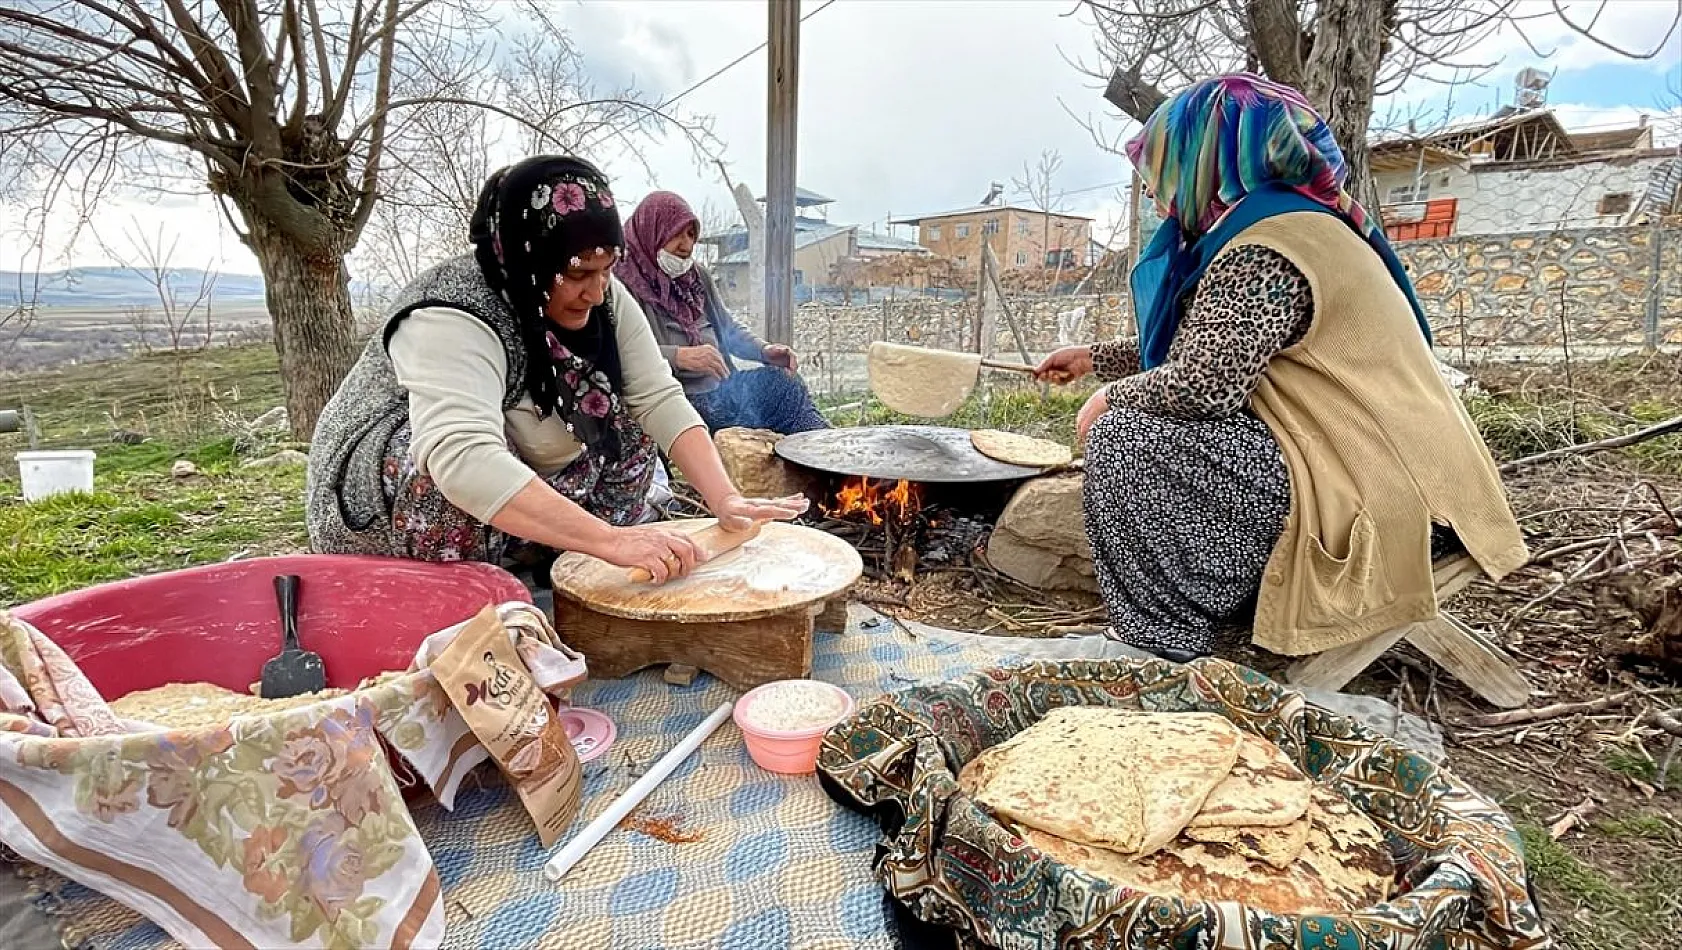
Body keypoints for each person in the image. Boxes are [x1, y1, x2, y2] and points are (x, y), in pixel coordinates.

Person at [1036, 74, 1527, 663]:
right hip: (1388, 468)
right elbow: (1217, 344)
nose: (1154, 193)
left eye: (1161, 170)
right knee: (1156, 429)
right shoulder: (1297, 223)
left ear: (1205, 159)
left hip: (1394, 497)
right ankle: (1213, 593)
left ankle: (1159, 642)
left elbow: (1204, 385)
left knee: (1131, 438)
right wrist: (1095, 360)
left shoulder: (1270, 245)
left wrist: (1112, 398)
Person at [306, 156, 807, 583]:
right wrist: (609, 540)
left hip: (516, 449)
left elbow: (657, 396)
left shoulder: (604, 293)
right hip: (378, 506)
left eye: (607, 269)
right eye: (576, 273)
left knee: (625, 418)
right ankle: (468, 593)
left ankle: (571, 571)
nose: (596, 290)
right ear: (530, 260)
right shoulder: (450, 312)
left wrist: (724, 498)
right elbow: (461, 457)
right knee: (432, 468)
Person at [617, 190, 829, 434]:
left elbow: (728, 328)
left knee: (786, 386)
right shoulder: (623, 284)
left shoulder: (697, 277)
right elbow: (621, 355)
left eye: (691, 234)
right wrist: (679, 356)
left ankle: (824, 456)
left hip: (721, 392)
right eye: (677, 234)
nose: (686, 245)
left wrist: (764, 350)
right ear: (652, 232)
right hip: (672, 400)